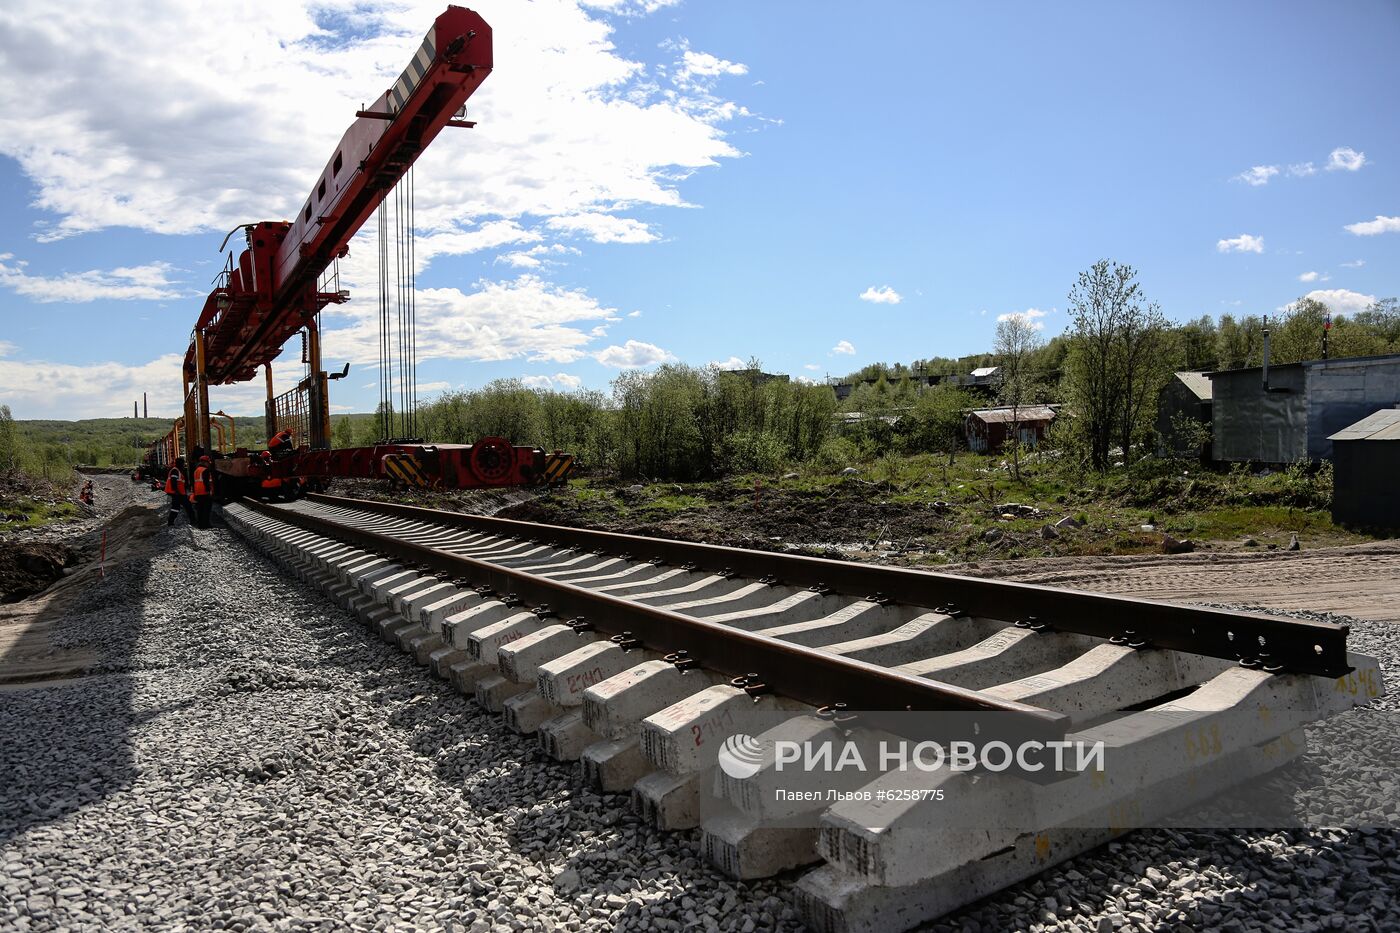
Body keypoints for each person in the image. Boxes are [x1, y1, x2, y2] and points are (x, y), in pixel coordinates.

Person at [165, 457, 194, 526]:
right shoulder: (175, 471)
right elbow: (173, 481)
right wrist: (177, 491)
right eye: (183, 463)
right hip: (178, 493)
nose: (184, 465)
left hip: (179, 493)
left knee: (176, 507)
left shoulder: (177, 470)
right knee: (187, 506)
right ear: (181, 463)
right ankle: (193, 521)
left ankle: (170, 522)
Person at [191, 455, 215, 529]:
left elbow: (194, 482)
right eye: (208, 462)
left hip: (198, 493)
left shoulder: (196, 470)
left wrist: (194, 493)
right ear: (205, 462)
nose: (209, 464)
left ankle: (201, 525)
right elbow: (206, 482)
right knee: (206, 510)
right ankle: (206, 525)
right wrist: (208, 491)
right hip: (205, 493)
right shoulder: (205, 470)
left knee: (200, 510)